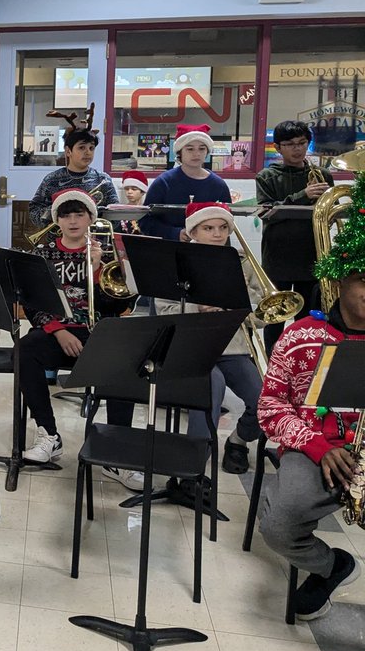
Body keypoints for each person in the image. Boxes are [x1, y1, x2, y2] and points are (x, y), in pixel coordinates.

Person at [257, 269, 365, 620]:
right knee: (278, 526)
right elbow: (270, 406)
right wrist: (317, 445)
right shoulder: (301, 336)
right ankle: (332, 565)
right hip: (313, 448)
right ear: (340, 281)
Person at [18, 190, 142, 489]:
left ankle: (114, 453)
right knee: (24, 350)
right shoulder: (43, 252)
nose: (72, 221)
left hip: (99, 332)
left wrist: (98, 269)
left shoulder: (108, 251)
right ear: (57, 219)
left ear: (91, 218)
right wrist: (58, 330)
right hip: (59, 331)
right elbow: (33, 303)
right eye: (66, 215)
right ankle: (49, 434)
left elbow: (121, 306)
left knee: (125, 360)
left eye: (79, 214)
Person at [153, 203, 263, 474]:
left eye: (223, 227)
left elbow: (263, 312)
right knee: (211, 388)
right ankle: (194, 465)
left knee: (264, 400)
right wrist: (196, 308)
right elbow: (163, 310)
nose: (217, 234)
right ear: (193, 231)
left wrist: (234, 306)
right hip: (190, 346)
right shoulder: (177, 262)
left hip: (232, 345)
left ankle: (238, 441)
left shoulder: (242, 262)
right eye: (208, 228)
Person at [256, 120, 333, 356]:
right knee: (275, 321)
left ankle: (304, 364)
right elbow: (266, 212)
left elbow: (329, 211)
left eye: (302, 143)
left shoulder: (322, 175)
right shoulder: (267, 176)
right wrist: (303, 195)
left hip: (310, 257)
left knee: (308, 320)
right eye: (289, 144)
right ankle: (273, 368)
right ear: (278, 148)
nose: (297, 149)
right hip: (277, 259)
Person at [139, 124, 231, 241]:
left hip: (208, 251)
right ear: (180, 152)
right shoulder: (164, 182)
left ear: (207, 152)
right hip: (170, 251)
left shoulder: (218, 185)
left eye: (201, 149)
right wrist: (175, 233)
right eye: (190, 149)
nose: (196, 153)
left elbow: (227, 222)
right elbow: (145, 221)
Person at [28, 126, 118, 229]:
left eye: (91, 148)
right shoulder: (52, 179)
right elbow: (34, 211)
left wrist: (92, 211)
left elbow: (115, 217)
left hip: (93, 240)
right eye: (81, 147)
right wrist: (59, 209)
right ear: (68, 151)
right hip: (58, 240)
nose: (88, 152)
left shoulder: (103, 180)